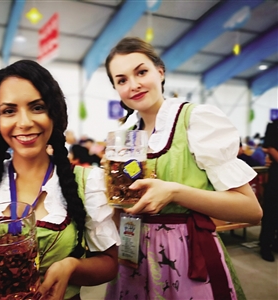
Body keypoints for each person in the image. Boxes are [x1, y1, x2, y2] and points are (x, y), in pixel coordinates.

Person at [0, 60, 119, 299]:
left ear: (54, 113)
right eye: (9, 111)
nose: (25, 122)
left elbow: (109, 265)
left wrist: (71, 267)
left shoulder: (87, 182)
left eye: (37, 107)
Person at [103, 37, 262, 300]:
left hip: (185, 256)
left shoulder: (196, 120)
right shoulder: (123, 134)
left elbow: (251, 210)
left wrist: (175, 192)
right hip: (131, 256)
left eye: (141, 72)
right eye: (122, 80)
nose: (134, 85)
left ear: (160, 72)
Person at [259, 118, 278, 262]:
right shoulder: (274, 125)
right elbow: (269, 147)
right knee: (271, 212)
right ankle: (265, 245)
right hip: (276, 175)